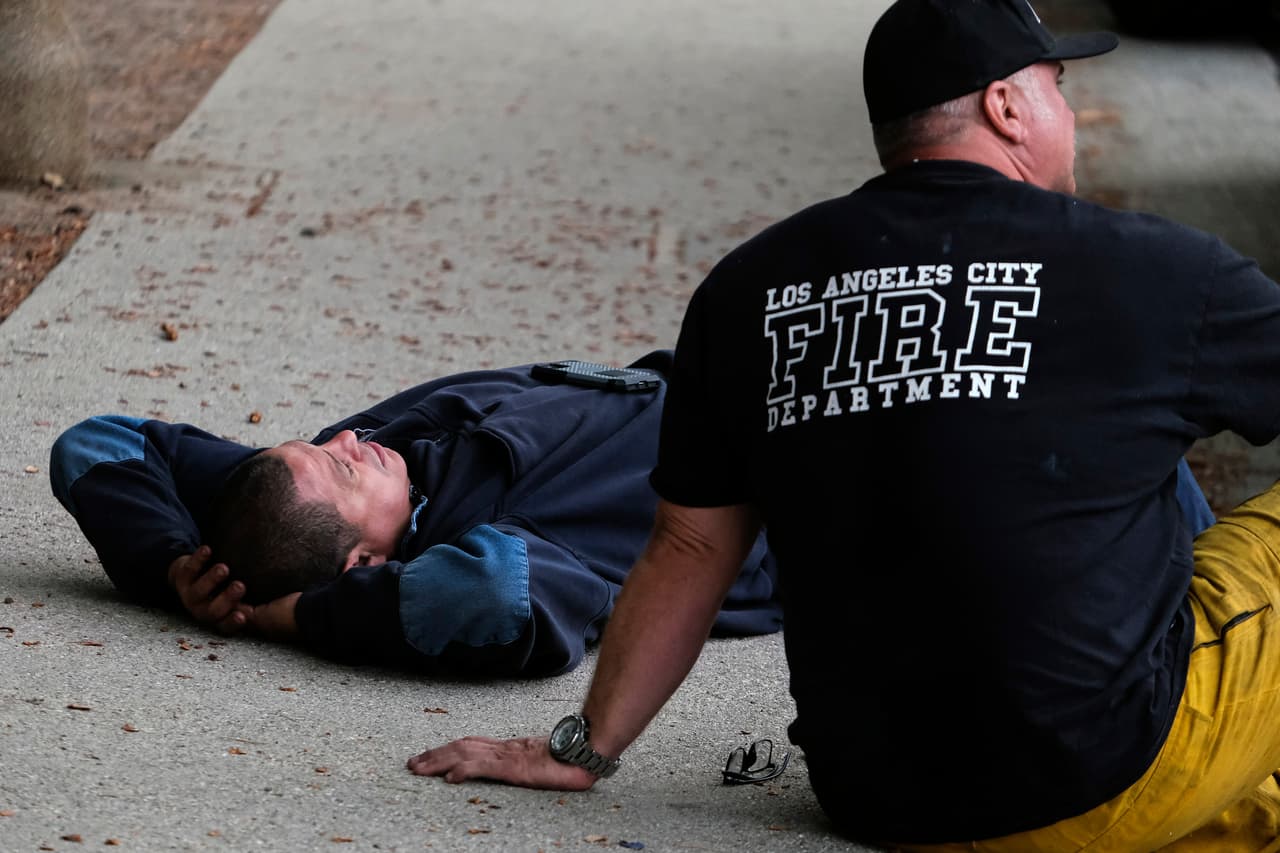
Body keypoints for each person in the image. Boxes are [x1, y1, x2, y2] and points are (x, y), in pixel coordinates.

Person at [405, 1, 1280, 850]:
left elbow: (689, 549)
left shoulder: (746, 290)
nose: (1075, 113)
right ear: (1006, 105)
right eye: (1058, 85)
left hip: (882, 798)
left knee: (1124, 463)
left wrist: (585, 748)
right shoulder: (1151, 271)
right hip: (1105, 776)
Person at [50, 350, 782, 677]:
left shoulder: (292, 490)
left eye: (322, 444)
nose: (346, 439)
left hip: (712, 373)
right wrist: (298, 617)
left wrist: (174, 563)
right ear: (362, 565)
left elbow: (96, 443)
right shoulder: (496, 545)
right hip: (792, 477)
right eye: (342, 465)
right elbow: (495, 594)